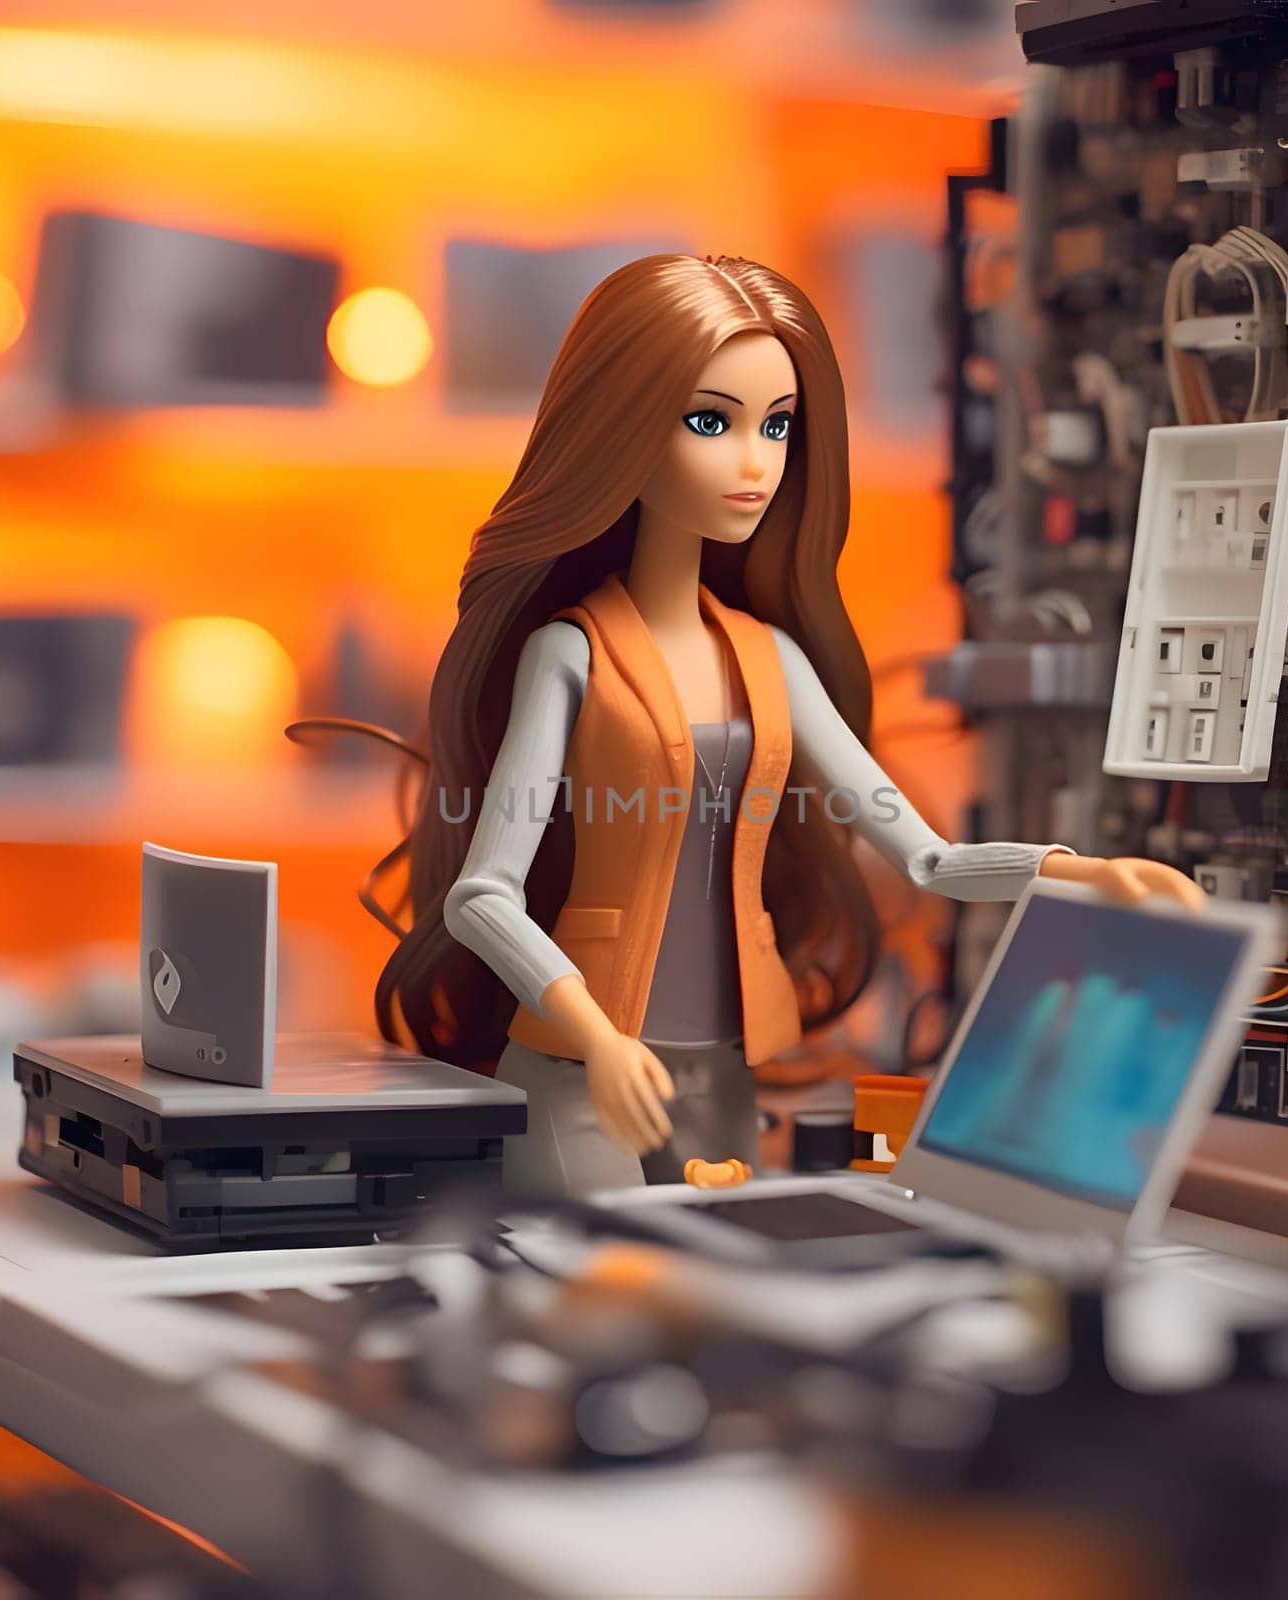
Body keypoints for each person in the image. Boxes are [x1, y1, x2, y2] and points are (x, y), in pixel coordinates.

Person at [374, 253, 1201, 1196]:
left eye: (776, 425)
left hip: (720, 1072)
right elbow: (482, 896)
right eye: (708, 421)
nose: (755, 463)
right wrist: (597, 1040)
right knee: (604, 1288)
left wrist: (1074, 872)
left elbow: (925, 858)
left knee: (716, 1308)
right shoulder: (572, 653)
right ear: (619, 426)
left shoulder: (773, 660)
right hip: (581, 1072)